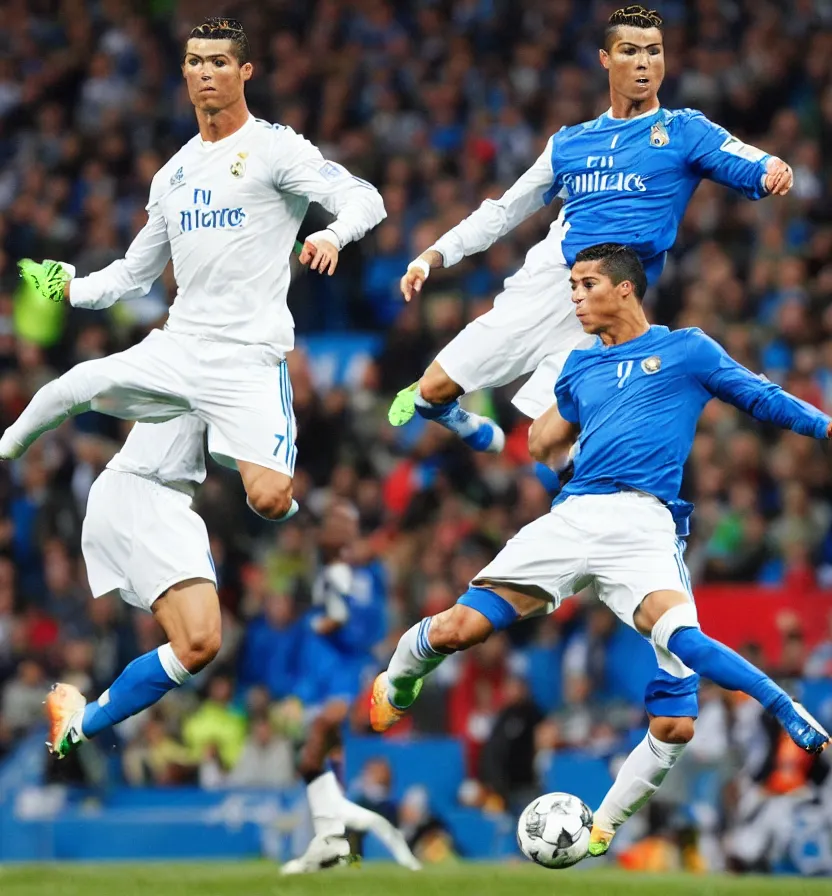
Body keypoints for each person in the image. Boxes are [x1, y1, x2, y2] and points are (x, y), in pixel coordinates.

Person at [370, 244, 831, 860]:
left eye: (587, 285)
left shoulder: (686, 350)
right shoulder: (578, 369)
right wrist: (544, 445)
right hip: (576, 514)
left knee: (676, 714)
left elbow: (762, 397)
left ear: (626, 290)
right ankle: (399, 679)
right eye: (573, 286)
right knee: (457, 629)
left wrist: (826, 427)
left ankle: (622, 811)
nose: (577, 297)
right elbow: (543, 443)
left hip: (644, 524)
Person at [2, 16, 385, 524]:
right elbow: (133, 274)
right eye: (195, 62)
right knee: (69, 387)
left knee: (270, 500)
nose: (206, 72)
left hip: (249, 357)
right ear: (183, 72)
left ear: (245, 71)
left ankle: (228, 442)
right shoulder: (172, 176)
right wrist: (72, 287)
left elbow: (366, 197)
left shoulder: (276, 148)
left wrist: (332, 234)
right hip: (179, 345)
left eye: (219, 62)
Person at [388, 5, 793, 455]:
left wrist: (773, 168)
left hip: (607, 304)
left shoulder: (683, 131)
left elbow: (748, 158)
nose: (644, 63)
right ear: (605, 59)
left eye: (654, 52)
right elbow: (504, 210)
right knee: (432, 390)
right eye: (630, 51)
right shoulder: (569, 142)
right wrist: (434, 255)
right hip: (548, 281)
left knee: (548, 443)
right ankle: (450, 416)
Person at [45, 417, 219, 759]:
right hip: (147, 508)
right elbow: (83, 384)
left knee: (195, 648)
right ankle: (87, 722)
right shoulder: (174, 380)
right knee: (199, 643)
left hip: (147, 509)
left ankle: (82, 724)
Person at [282, 500, 421, 873]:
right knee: (314, 755)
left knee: (327, 733)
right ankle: (333, 836)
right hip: (317, 676)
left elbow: (367, 617)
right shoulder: (323, 570)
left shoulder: (371, 573)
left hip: (350, 669)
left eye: (346, 525)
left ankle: (338, 829)